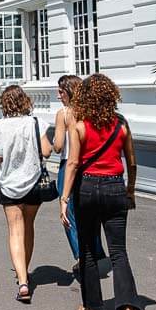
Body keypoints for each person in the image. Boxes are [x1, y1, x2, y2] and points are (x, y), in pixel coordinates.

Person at [61, 73, 144, 310]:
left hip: (86, 189)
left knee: (86, 249)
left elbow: (72, 164)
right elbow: (131, 162)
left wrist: (64, 199)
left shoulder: (80, 127)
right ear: (111, 96)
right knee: (118, 251)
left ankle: (94, 308)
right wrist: (130, 190)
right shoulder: (122, 125)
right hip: (114, 187)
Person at [0, 85, 45, 303]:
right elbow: (47, 150)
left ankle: (22, 281)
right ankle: (25, 271)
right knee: (28, 227)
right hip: (33, 181)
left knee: (14, 231)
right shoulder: (35, 123)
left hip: (9, 183)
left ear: (4, 104)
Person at [47, 74, 104, 275]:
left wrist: (52, 138)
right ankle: (95, 252)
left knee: (68, 214)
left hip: (68, 165)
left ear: (69, 92)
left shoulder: (64, 113)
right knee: (90, 212)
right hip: (90, 166)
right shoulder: (92, 112)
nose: (58, 95)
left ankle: (81, 257)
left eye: (61, 91)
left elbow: (58, 146)